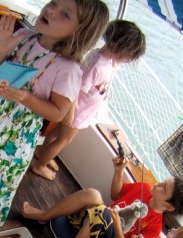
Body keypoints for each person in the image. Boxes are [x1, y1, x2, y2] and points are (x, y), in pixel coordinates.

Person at [0, 1, 110, 234]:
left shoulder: (68, 69)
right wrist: (0, 51)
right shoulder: (24, 36)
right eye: (53, 3)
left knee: (0, 179)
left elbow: (58, 113)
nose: (51, 10)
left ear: (81, 31)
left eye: (65, 14)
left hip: (19, 133)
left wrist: (25, 97)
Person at [23, 154, 183, 238]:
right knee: (93, 195)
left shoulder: (154, 225)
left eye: (163, 188)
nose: (158, 184)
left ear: (169, 207)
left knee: (102, 214)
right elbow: (116, 195)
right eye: (163, 182)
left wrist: (116, 225)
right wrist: (119, 172)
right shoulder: (144, 188)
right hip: (93, 220)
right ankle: (43, 216)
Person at [30, 19, 146, 181]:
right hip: (76, 112)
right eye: (128, 55)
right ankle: (40, 165)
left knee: (56, 135)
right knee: (63, 140)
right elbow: (76, 90)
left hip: (80, 111)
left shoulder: (104, 60)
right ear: (117, 47)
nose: (128, 60)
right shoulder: (97, 65)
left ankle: (43, 153)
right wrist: (70, 114)